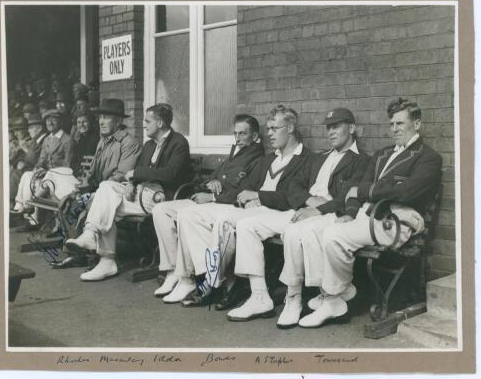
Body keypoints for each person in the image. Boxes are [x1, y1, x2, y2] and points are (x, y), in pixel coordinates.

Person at [296, 98, 442, 328]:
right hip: (368, 216)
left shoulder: (428, 158)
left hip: (396, 223)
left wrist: (364, 191)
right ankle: (340, 291)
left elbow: (405, 193)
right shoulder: (383, 153)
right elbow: (355, 189)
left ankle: (333, 298)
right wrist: (350, 212)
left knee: (333, 237)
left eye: (400, 124)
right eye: (392, 124)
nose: (395, 129)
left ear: (417, 124)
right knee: (319, 230)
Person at [227, 107, 370, 324]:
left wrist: (319, 209)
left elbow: (347, 197)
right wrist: (310, 202)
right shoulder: (319, 158)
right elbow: (294, 186)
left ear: (351, 128)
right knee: (247, 225)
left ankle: (294, 297)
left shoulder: (362, 161)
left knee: (294, 233)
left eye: (336, 127)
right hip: (303, 210)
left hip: (330, 215)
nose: (330, 132)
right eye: (328, 128)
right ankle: (259, 296)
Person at [161, 104, 310, 305]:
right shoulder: (268, 159)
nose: (270, 134)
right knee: (189, 215)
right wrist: (246, 198)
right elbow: (246, 188)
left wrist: (258, 196)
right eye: (268, 129)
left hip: (277, 212)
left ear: (290, 128)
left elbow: (293, 196)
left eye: (274, 129)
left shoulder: (306, 159)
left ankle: (211, 284)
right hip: (254, 210)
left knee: (224, 222)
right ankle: (205, 277)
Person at [65, 103, 191, 281]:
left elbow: (170, 174)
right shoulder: (149, 145)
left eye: (147, 121)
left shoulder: (178, 142)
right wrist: (132, 182)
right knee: (107, 189)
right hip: (141, 195)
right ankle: (100, 251)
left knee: (107, 204)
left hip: (161, 200)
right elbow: (137, 172)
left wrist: (136, 174)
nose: (144, 125)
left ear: (161, 123)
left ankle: (102, 253)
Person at [152, 114, 265, 301]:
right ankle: (173, 271)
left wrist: (213, 195)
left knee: (187, 215)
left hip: (225, 206)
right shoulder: (235, 153)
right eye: (235, 134)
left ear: (254, 137)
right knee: (161, 210)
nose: (237, 138)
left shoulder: (257, 159)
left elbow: (243, 193)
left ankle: (191, 278)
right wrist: (211, 182)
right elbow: (210, 178)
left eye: (243, 134)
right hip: (209, 201)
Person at [49, 98, 141, 269]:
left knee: (87, 203)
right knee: (70, 202)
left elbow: (121, 175)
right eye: (100, 118)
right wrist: (80, 188)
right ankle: (77, 254)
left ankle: (96, 257)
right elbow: (92, 173)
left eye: (106, 117)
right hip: (100, 189)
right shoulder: (103, 141)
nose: (101, 121)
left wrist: (94, 191)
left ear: (119, 121)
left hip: (114, 192)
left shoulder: (128, 143)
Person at [12, 109, 74, 231]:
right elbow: (41, 160)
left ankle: (32, 219)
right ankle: (20, 207)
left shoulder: (67, 140)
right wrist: (38, 169)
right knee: (28, 175)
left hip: (60, 176)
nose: (50, 122)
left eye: (53, 119)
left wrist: (47, 172)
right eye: (47, 120)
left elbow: (68, 166)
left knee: (37, 182)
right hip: (47, 175)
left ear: (60, 121)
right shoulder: (47, 139)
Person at [9, 114, 47, 204]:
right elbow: (18, 159)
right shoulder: (32, 141)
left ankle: (13, 202)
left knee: (15, 174)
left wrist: (25, 149)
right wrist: (18, 160)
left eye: (30, 128)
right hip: (27, 169)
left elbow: (36, 160)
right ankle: (14, 203)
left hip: (35, 170)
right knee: (13, 172)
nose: (29, 131)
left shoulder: (40, 141)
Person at [70, 104, 99, 176]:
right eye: (79, 122)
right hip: (80, 174)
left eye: (84, 122)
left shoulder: (95, 139)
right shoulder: (81, 139)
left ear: (91, 122)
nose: (81, 125)